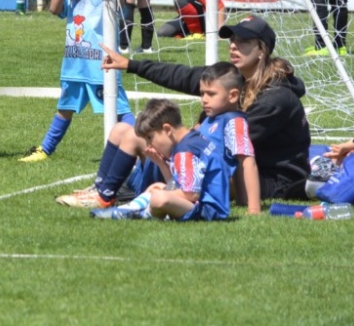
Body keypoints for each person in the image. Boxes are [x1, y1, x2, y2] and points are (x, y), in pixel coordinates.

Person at [102, 14, 311, 199]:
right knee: (126, 131)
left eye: (244, 41)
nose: (233, 46)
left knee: (169, 144)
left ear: (261, 51)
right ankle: (103, 188)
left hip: (272, 181)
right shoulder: (234, 78)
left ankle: (127, 190)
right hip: (236, 167)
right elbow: (182, 75)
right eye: (232, 40)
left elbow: (229, 145)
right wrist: (131, 65)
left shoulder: (277, 97)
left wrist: (192, 135)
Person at [59, 62, 260, 214]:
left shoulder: (234, 122)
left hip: (185, 183)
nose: (204, 99)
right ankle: (102, 188)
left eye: (211, 94)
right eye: (202, 93)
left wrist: (252, 208)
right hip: (175, 174)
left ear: (233, 96)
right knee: (120, 129)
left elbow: (247, 163)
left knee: (130, 135)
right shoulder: (211, 119)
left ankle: (104, 197)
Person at [19, 0, 134, 163]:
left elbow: (123, 7)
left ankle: (141, 147)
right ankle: (45, 149)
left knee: (120, 110)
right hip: (74, 61)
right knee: (65, 107)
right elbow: (54, 9)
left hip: (101, 62)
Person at [90, 98, 231, 221]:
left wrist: (163, 194)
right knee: (156, 187)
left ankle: (138, 213)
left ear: (167, 129)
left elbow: (191, 194)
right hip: (207, 205)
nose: (149, 144)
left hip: (208, 211)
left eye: (150, 138)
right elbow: (179, 184)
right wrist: (162, 165)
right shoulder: (192, 139)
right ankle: (125, 211)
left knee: (159, 198)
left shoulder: (185, 151)